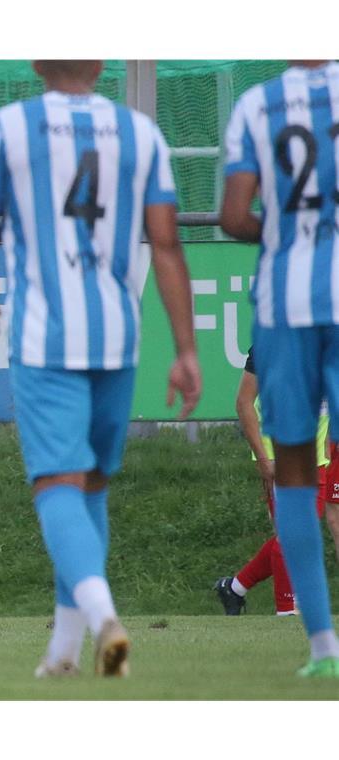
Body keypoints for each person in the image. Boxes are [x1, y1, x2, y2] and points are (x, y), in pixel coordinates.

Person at [0, 60, 202, 678]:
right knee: (91, 484)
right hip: (118, 335)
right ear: (101, 63)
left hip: (45, 335)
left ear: (38, 63)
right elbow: (166, 245)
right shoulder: (141, 132)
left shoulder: (12, 126)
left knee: (56, 484)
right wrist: (187, 349)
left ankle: (105, 619)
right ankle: (62, 654)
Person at [219, 59, 339, 678]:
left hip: (287, 305)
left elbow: (235, 216)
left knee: (294, 473)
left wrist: (288, 239)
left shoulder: (257, 104)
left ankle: (322, 648)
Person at [214, 347, 330, 616]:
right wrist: (264, 459)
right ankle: (287, 611)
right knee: (294, 535)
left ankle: (234, 587)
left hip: (316, 458)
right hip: (279, 455)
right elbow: (244, 403)